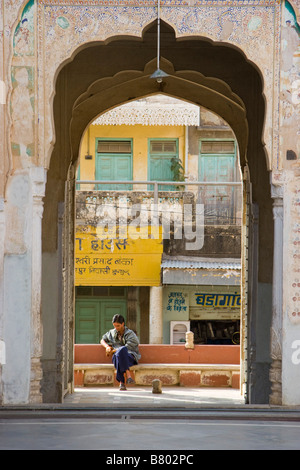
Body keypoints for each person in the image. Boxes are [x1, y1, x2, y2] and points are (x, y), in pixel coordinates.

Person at [100, 314, 141, 391]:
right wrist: (107, 347)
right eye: (114, 326)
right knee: (117, 355)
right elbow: (102, 340)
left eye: (118, 326)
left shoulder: (131, 334)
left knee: (122, 350)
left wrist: (113, 351)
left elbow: (127, 347)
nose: (116, 328)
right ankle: (128, 375)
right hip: (117, 357)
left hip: (130, 357)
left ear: (123, 324)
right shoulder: (112, 332)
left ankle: (122, 382)